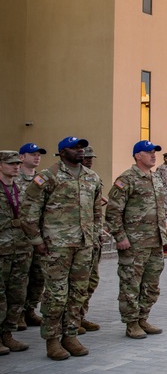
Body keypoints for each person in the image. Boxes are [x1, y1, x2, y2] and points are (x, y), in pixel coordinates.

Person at [19, 137, 102, 361]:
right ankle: (52, 340)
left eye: (82, 147)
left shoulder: (91, 177)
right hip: (56, 247)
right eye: (75, 148)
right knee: (56, 295)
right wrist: (37, 241)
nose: (80, 151)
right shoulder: (48, 176)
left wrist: (94, 239)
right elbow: (29, 211)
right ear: (62, 152)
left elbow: (96, 213)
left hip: (83, 246)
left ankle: (71, 335)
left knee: (77, 293)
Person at [105, 141, 167, 340]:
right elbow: (113, 211)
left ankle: (143, 317)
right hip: (134, 243)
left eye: (154, 152)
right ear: (137, 156)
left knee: (151, 284)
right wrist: (120, 237)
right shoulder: (127, 179)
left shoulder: (156, 178)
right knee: (131, 283)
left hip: (155, 241)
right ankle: (131, 323)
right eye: (148, 152)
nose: (153, 155)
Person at [0, 151, 32, 354]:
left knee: (17, 294)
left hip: (21, 248)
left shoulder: (22, 188)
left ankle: (7, 334)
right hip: (1, 248)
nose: (16, 167)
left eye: (17, 163)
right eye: (11, 163)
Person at [16, 142, 46, 329]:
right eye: (32, 154)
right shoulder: (13, 178)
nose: (36, 157)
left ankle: (30, 310)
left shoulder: (42, 180)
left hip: (39, 235)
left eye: (38, 154)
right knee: (20, 277)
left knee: (38, 276)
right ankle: (16, 314)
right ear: (21, 157)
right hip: (18, 237)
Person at [78, 147, 105, 332]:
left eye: (91, 158)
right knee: (73, 283)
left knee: (91, 280)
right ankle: (69, 321)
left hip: (91, 239)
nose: (89, 160)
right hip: (70, 241)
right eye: (86, 157)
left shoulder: (92, 178)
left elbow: (97, 210)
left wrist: (99, 231)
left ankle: (80, 315)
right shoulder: (55, 177)